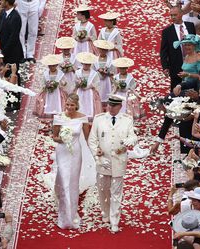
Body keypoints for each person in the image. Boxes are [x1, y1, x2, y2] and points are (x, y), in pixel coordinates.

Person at [88, 94, 137, 233]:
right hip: (103, 161)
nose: (110, 108)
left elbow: (132, 136)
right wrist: (96, 152)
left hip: (119, 161)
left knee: (116, 192)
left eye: (114, 106)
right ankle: (106, 212)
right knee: (103, 190)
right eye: (109, 105)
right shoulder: (99, 119)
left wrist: (131, 141)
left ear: (120, 107)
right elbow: (92, 140)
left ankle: (115, 220)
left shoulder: (127, 120)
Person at [52, 94, 90, 229]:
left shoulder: (83, 118)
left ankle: (72, 213)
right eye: (67, 105)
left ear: (76, 106)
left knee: (72, 182)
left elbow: (88, 138)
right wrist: (62, 139)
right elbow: (54, 137)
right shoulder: (59, 117)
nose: (69, 107)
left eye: (72, 105)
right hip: (62, 152)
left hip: (75, 152)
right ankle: (63, 215)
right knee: (64, 180)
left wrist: (96, 151)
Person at [160, 6, 196, 90]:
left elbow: (195, 43)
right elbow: (163, 51)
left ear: (181, 14)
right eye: (171, 15)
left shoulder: (190, 26)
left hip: (192, 65)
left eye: (175, 15)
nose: (173, 17)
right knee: (176, 91)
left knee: (192, 88)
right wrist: (165, 67)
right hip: (176, 67)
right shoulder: (167, 32)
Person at [33, 54, 67, 118]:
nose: (52, 67)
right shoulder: (46, 73)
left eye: (53, 66)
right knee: (46, 100)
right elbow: (43, 82)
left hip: (57, 90)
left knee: (58, 101)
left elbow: (64, 82)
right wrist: (46, 85)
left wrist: (63, 83)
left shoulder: (60, 73)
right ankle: (47, 113)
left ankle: (57, 112)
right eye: (50, 66)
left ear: (56, 65)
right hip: (48, 90)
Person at [74, 52, 102, 120]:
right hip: (80, 91)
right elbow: (75, 81)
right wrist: (79, 83)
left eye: (88, 64)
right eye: (85, 64)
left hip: (90, 92)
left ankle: (89, 117)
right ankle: (79, 116)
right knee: (79, 102)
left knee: (89, 104)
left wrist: (90, 86)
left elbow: (97, 82)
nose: (86, 65)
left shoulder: (94, 73)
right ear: (82, 63)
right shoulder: (78, 72)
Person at [0, 0, 24, 65]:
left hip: (12, 53)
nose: (1, 2)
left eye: (3, 1)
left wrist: (3, 51)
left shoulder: (15, 17)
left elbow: (13, 37)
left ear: (7, 2)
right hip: (3, 50)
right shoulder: (3, 13)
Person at [92, 40, 115, 108]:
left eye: (104, 50)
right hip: (98, 80)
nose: (102, 51)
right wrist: (98, 72)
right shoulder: (95, 60)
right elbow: (92, 71)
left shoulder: (110, 60)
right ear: (98, 49)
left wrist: (107, 73)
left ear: (107, 50)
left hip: (107, 81)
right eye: (101, 49)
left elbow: (113, 72)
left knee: (107, 94)